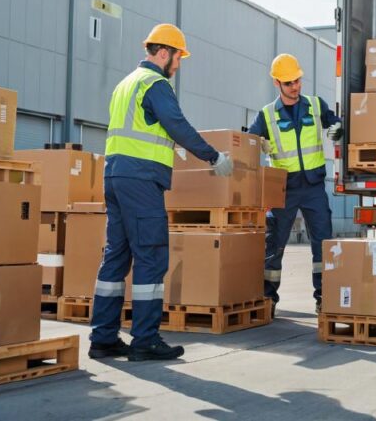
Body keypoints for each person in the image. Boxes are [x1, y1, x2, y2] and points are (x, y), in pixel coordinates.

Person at [89, 23, 235, 361]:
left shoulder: (125, 84)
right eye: (178, 58)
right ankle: (145, 340)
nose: (179, 65)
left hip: (115, 176)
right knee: (151, 255)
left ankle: (103, 338)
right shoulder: (155, 84)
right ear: (164, 53)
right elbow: (177, 126)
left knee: (116, 256)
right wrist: (213, 156)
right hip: (141, 179)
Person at [248, 54, 342, 316]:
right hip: (283, 190)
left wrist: (337, 128)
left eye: (297, 81)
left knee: (322, 243)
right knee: (274, 245)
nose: (295, 87)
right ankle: (269, 298)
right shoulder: (266, 115)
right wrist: (258, 143)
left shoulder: (315, 104)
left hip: (313, 187)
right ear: (277, 83)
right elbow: (248, 141)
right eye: (289, 83)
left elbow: (335, 121)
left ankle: (324, 297)